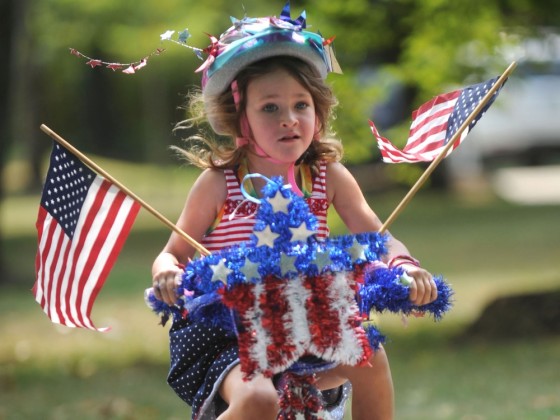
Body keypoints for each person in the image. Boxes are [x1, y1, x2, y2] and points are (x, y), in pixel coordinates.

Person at [151, 6, 437, 420]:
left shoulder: (326, 176)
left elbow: (379, 236)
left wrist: (404, 265)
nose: (289, 119)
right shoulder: (219, 183)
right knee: (258, 401)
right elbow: (172, 252)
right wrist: (168, 273)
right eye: (270, 108)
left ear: (317, 113)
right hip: (230, 329)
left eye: (301, 105)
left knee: (371, 358)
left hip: (307, 317)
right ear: (239, 117)